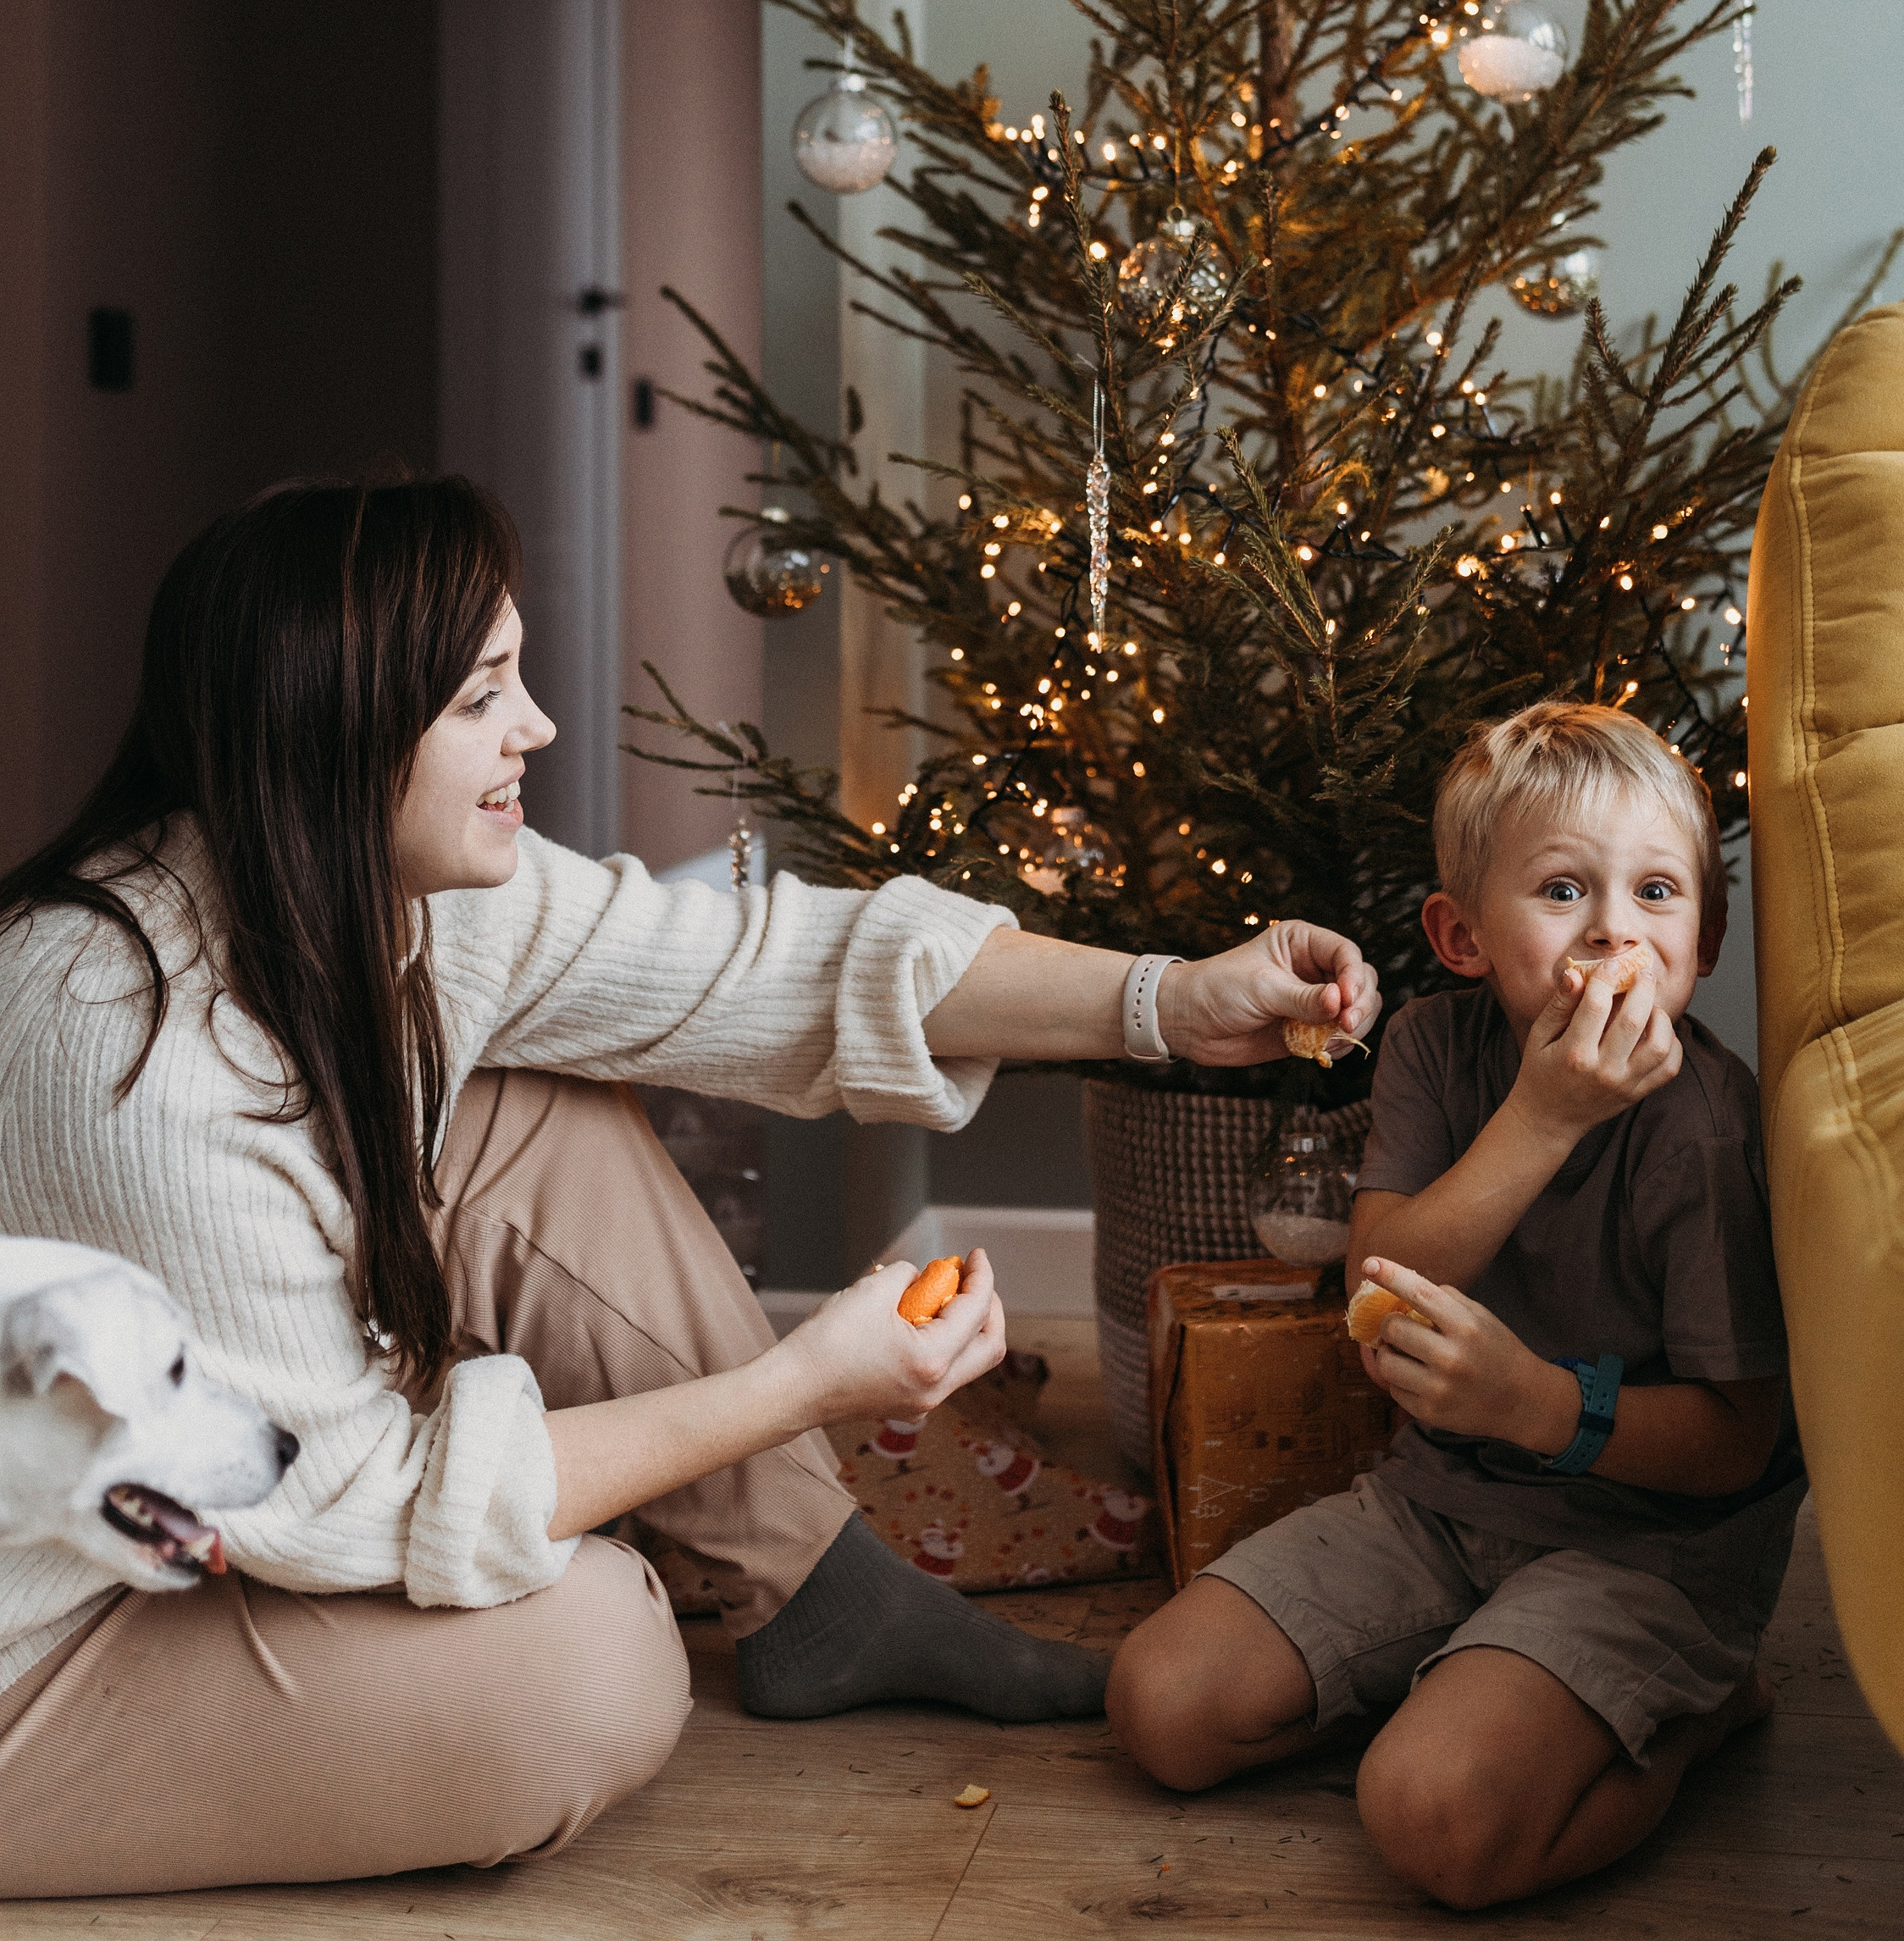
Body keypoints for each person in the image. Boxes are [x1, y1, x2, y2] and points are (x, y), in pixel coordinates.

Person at [0, 476, 1380, 1899]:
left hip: (193, 1523)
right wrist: (804, 1384)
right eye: (484, 696)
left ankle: (821, 1591)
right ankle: (695, 1562)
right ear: (333, 725)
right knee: (593, 1661)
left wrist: (1168, 1000)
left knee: (527, 1104)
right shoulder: (131, 1050)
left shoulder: (363, 897)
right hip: (47, 1643)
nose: (535, 726)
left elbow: (769, 969)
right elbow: (343, 1498)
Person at [1109, 700, 1802, 1910]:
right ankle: (1470, 1681)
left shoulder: (1705, 1129)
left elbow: (1740, 1441)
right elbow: (1375, 1284)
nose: (1614, 936)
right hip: (1436, 1505)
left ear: (1711, 929)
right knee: (1160, 1708)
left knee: (1437, 1825)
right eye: (1560, 892)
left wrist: (1541, 1407)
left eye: (1655, 894)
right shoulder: (1435, 1048)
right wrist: (1545, 1118)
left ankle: (1696, 1712)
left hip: (1652, 1550)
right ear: (1463, 934)